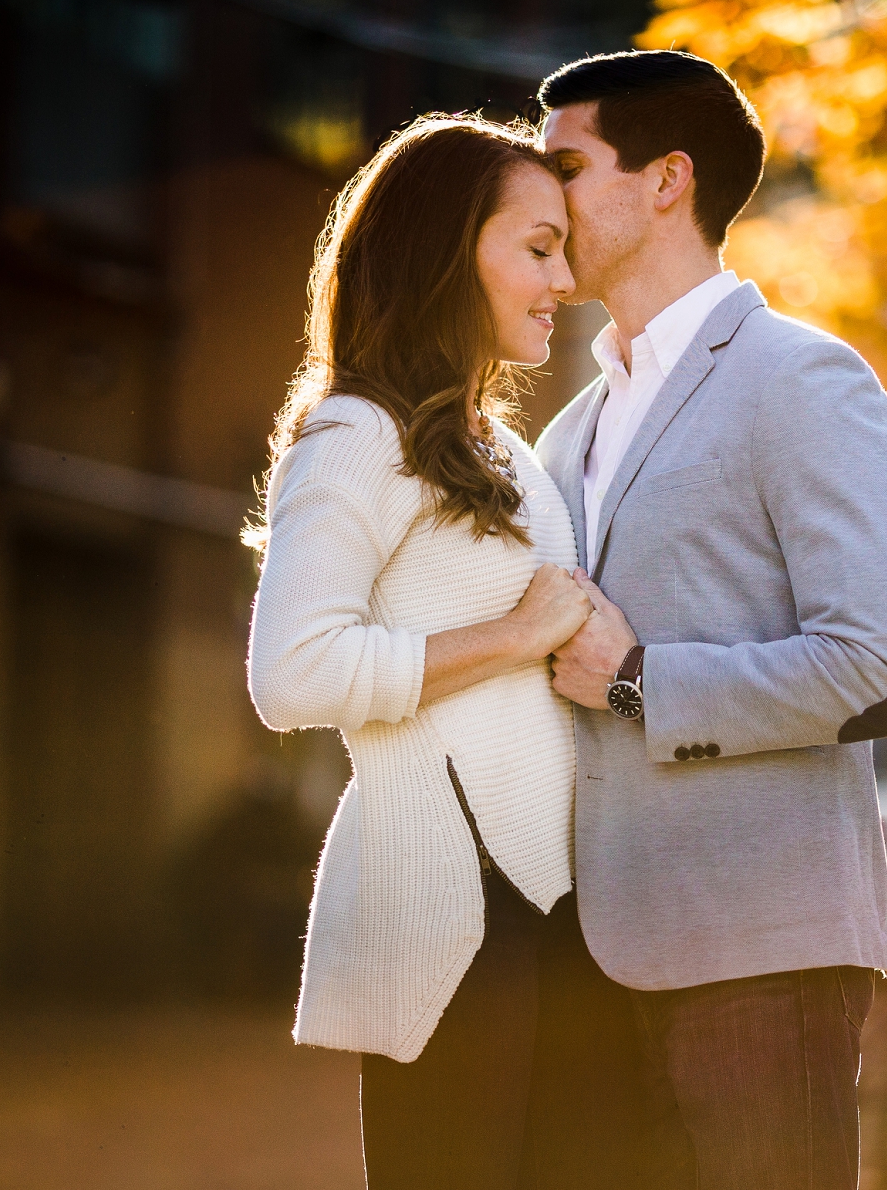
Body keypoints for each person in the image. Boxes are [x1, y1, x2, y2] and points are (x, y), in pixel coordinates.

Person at [534, 50, 887, 1189]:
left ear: (667, 180)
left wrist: (638, 679)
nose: (540, 194)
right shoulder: (567, 436)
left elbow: (877, 668)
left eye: (566, 163)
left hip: (762, 959)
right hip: (589, 970)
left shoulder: (802, 378)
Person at [245, 114, 644, 1189]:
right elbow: (290, 674)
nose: (563, 277)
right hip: (450, 906)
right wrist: (513, 635)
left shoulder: (500, 450)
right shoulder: (355, 435)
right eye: (536, 247)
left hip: (553, 911)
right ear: (443, 250)